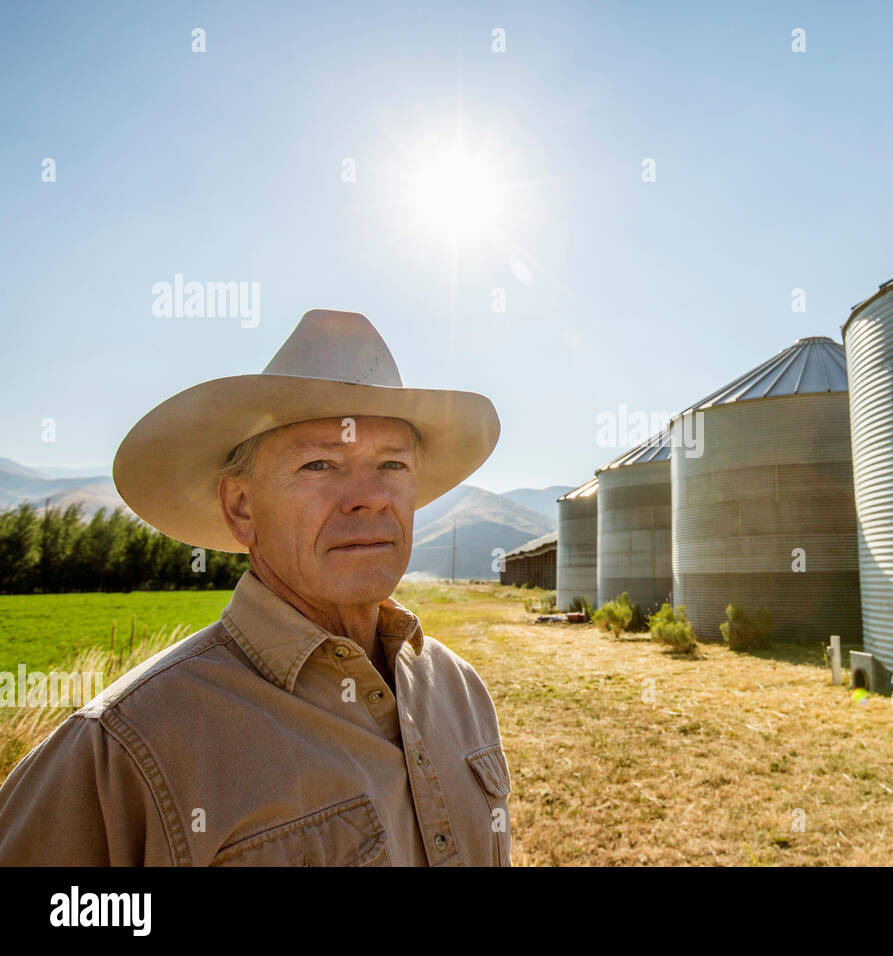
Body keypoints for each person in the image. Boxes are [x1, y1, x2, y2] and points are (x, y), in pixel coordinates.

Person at [0, 308, 511, 866]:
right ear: (241, 507)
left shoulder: (460, 691)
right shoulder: (127, 746)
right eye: (319, 464)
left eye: (392, 463)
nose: (370, 496)